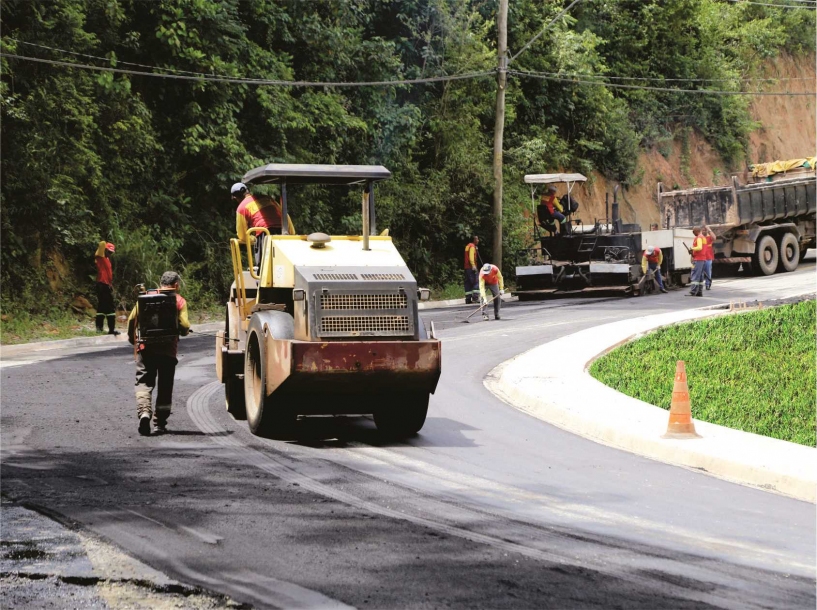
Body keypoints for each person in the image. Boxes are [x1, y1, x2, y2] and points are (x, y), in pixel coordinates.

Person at [127, 271, 191, 436]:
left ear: (160, 283)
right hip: (168, 352)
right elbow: (184, 326)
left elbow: (132, 320)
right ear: (176, 285)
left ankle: (144, 413)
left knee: (143, 383)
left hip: (146, 350)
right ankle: (159, 423)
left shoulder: (146, 296)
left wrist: (132, 338)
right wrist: (182, 330)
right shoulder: (179, 301)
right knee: (165, 387)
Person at [94, 241, 120, 335]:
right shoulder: (100, 257)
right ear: (105, 250)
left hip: (106, 285)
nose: (110, 254)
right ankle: (111, 329)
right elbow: (101, 243)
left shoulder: (107, 260)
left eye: (111, 252)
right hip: (102, 284)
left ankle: (99, 328)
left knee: (102, 307)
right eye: (108, 251)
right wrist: (105, 245)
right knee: (110, 308)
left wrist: (110, 285)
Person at [687, 228, 707, 297]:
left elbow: (699, 247)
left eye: (693, 232)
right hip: (702, 259)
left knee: (695, 275)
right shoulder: (703, 237)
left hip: (698, 259)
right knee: (700, 276)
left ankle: (693, 291)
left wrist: (692, 248)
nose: (693, 233)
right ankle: (699, 292)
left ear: (697, 231)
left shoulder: (699, 237)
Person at [463, 236, 482, 304]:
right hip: (471, 267)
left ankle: (468, 299)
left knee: (468, 283)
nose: (478, 240)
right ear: (474, 240)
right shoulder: (472, 247)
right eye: (477, 239)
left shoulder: (468, 246)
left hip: (467, 268)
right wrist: (473, 265)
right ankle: (475, 298)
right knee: (476, 281)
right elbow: (471, 256)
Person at [702, 225, 715, 290]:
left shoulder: (709, 238)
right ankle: (700, 286)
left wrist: (709, 229)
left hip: (708, 258)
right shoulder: (699, 238)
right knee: (700, 273)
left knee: (708, 272)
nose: (704, 231)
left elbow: (714, 238)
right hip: (700, 258)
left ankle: (707, 284)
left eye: (705, 230)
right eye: (703, 230)